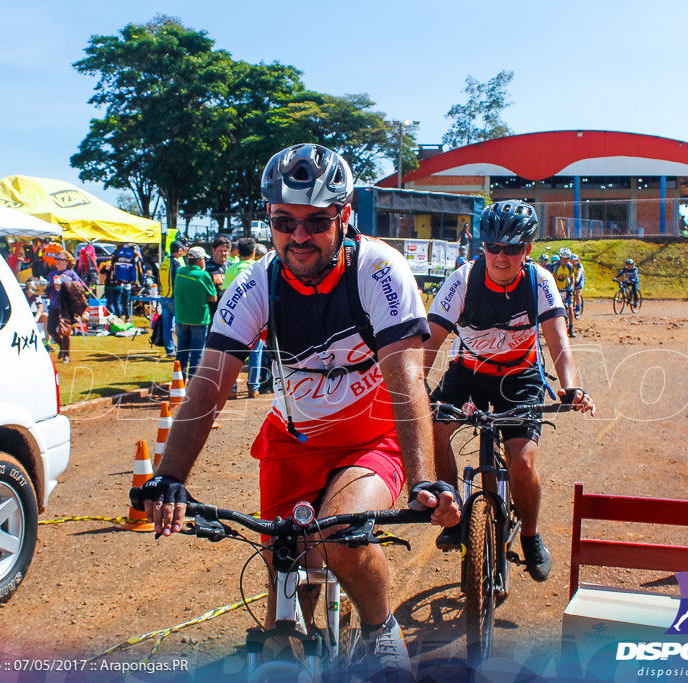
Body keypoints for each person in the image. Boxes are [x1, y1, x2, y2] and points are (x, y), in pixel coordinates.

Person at [134, 143, 460, 680]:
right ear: (270, 220)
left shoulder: (380, 270)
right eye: (284, 222)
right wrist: (169, 477)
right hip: (294, 442)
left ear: (344, 217)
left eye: (316, 221)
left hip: (370, 440)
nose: (299, 236)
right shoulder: (255, 282)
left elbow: (407, 384)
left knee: (342, 539)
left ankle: (381, 629)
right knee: (283, 597)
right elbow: (208, 387)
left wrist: (426, 478)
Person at [423, 200, 595, 582]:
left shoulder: (540, 281)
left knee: (523, 460)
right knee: (435, 428)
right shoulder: (463, 281)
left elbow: (559, 343)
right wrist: (415, 388)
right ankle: (453, 511)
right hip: (468, 373)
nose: (501, 257)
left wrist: (571, 387)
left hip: (520, 376)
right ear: (482, 247)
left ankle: (531, 536)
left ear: (527, 249)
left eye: (512, 248)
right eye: (493, 247)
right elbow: (429, 344)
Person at [223, 237, 264, 398]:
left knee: (234, 353)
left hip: (236, 318)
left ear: (238, 252)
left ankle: (232, 388)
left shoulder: (232, 269)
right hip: (256, 316)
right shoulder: (258, 268)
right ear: (253, 252)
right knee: (256, 353)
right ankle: (253, 387)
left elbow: (225, 293)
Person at [173, 246, 217, 380]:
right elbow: (213, 297)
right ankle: (193, 384)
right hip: (199, 319)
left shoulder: (180, 271)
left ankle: (178, 382)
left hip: (181, 318)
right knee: (196, 354)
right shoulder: (203, 275)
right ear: (200, 261)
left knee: (181, 353)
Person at [45, 251, 85, 363]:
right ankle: (62, 347)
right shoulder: (52, 273)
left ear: (66, 262)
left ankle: (66, 355)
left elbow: (79, 288)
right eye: (56, 259)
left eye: (60, 259)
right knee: (51, 329)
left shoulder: (71, 273)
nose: (57, 261)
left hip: (66, 305)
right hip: (54, 304)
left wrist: (66, 282)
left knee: (66, 330)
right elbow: (48, 289)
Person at [158, 240, 187, 357]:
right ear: (179, 251)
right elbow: (178, 282)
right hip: (173, 298)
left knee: (167, 326)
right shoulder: (176, 264)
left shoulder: (164, 262)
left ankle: (169, 349)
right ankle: (181, 348)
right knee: (180, 325)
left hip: (164, 296)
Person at [111, 242, 144, 316]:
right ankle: (126, 318)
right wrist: (138, 280)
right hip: (126, 281)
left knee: (119, 301)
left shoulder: (118, 251)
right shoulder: (133, 251)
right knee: (124, 302)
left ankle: (121, 317)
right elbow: (139, 265)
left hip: (119, 281)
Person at [551, 247, 577, 337]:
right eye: (563, 258)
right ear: (560, 258)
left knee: (570, 307)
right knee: (558, 309)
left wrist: (572, 287)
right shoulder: (555, 267)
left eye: (567, 259)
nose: (565, 261)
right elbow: (551, 278)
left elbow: (572, 278)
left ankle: (571, 327)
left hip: (566, 289)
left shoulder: (570, 266)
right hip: (557, 289)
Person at [205, 235, 231, 316]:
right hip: (212, 310)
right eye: (220, 251)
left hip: (227, 309)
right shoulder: (206, 267)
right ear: (213, 250)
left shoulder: (231, 267)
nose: (223, 253)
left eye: (226, 251)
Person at [570, 252, 585, 316]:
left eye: (574, 261)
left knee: (578, 294)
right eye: (571, 261)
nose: (572, 262)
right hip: (573, 280)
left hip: (579, 280)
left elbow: (579, 273)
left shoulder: (579, 265)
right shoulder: (569, 266)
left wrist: (577, 279)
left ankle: (578, 310)